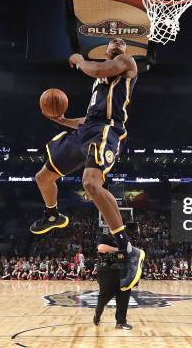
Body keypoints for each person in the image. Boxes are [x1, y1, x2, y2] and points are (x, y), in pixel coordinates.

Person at [30, 38, 144, 292]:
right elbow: (86, 119)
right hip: (87, 129)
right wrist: (61, 119)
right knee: (43, 178)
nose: (117, 43)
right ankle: (53, 215)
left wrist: (79, 60)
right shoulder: (99, 83)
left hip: (107, 130)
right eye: (112, 42)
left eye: (121, 42)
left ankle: (128, 249)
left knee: (91, 183)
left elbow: (98, 69)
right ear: (105, 51)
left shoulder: (125, 63)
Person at [93, 233, 133, 330]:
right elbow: (101, 248)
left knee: (124, 294)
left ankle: (120, 322)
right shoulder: (104, 237)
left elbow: (128, 253)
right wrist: (118, 250)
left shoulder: (125, 238)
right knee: (104, 297)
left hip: (121, 270)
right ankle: (97, 316)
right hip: (106, 270)